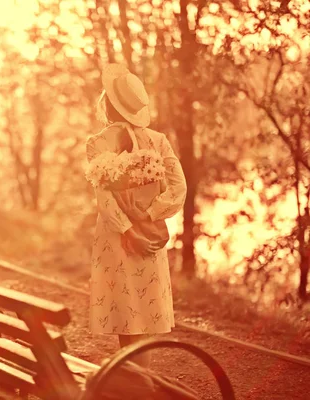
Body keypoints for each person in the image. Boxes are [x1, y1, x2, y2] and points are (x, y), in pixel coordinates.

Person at [86, 64, 187, 368]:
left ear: (108, 102)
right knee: (145, 313)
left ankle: (135, 381)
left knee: (125, 315)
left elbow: (104, 200)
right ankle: (142, 380)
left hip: (116, 237)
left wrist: (128, 229)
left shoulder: (96, 143)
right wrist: (151, 214)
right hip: (149, 234)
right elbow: (179, 188)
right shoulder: (158, 140)